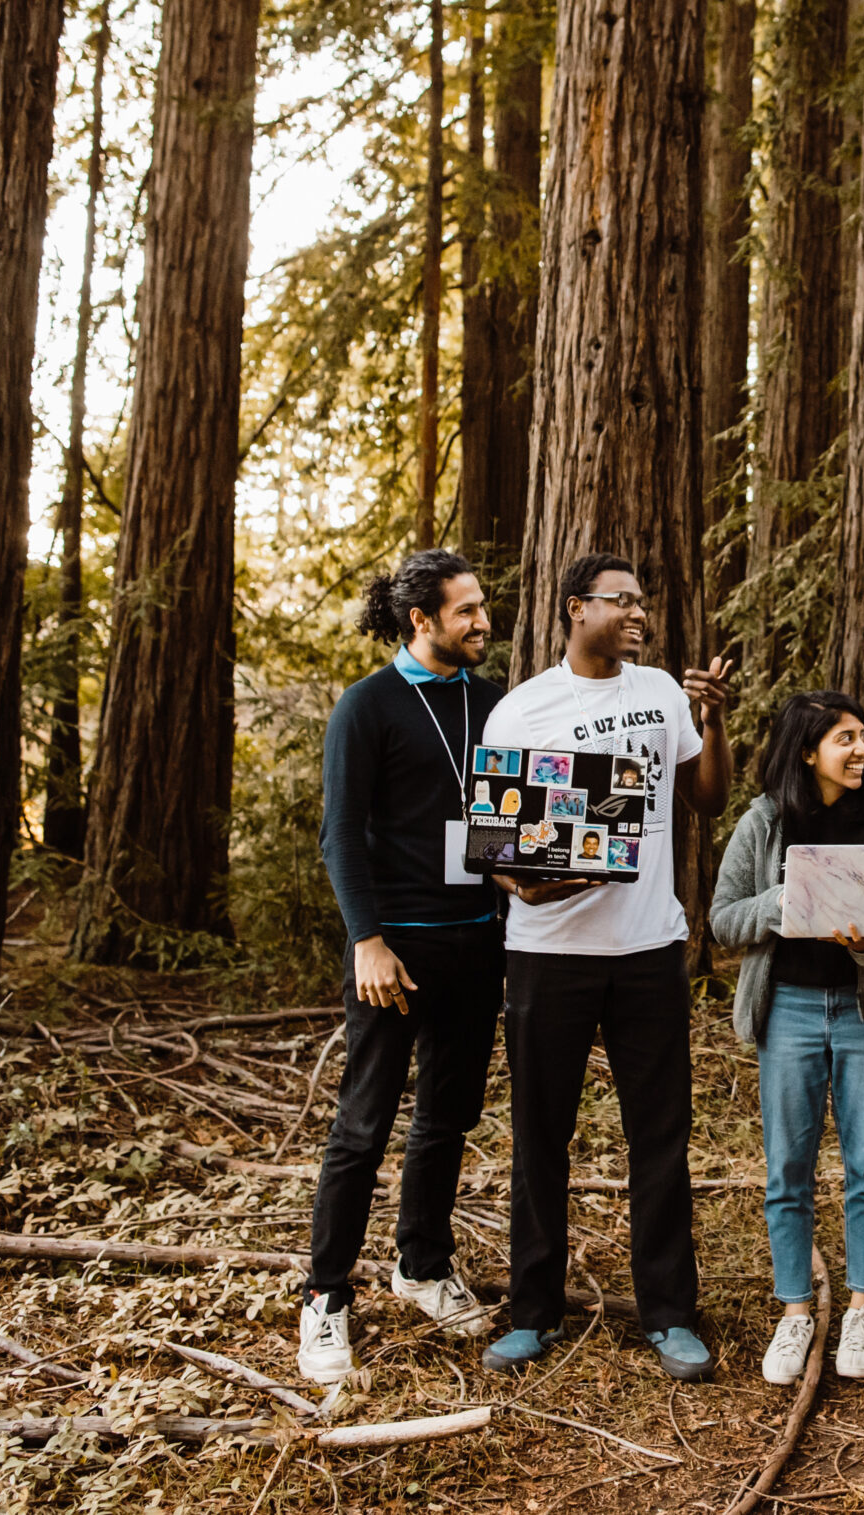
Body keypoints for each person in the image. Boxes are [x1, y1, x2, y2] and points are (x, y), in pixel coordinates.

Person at [476, 553, 735, 1383]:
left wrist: (713, 718)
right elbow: (497, 848)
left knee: (659, 1137)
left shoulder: (661, 692)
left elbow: (708, 799)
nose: (637, 614)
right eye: (620, 601)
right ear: (574, 608)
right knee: (540, 1136)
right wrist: (531, 883)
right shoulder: (523, 709)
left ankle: (669, 1314)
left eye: (641, 603)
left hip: (648, 948)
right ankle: (532, 1313)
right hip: (548, 954)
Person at [299, 550, 508, 1383]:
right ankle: (324, 1299)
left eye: (483, 607)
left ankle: (422, 1263)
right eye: (467, 611)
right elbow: (340, 835)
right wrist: (367, 939)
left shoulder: (496, 704)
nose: (483, 621)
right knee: (362, 1126)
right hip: (396, 951)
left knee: (447, 1118)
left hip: (478, 942)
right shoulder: (368, 706)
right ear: (421, 620)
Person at [709, 692, 864, 1387]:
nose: (860, 749)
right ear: (808, 750)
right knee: (787, 1167)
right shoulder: (766, 819)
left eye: (862, 736)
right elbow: (723, 919)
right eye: (844, 738)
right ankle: (796, 1308)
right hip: (790, 1010)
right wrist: (787, 899)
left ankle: (862, 1304)